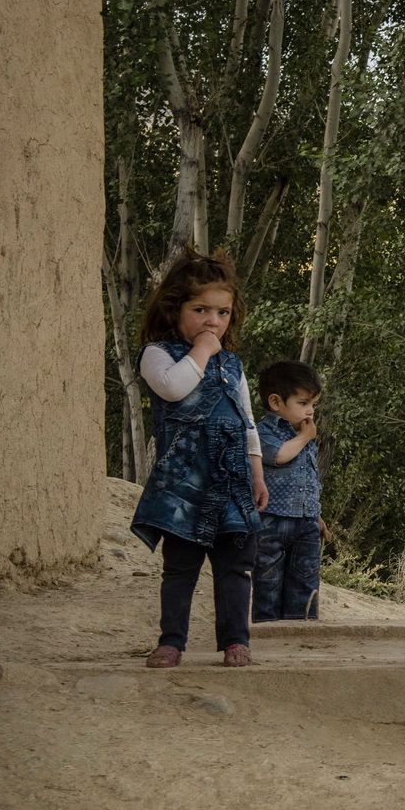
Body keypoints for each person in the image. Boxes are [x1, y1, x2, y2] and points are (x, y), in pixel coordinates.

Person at [132, 246, 266, 669]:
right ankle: (172, 641)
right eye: (201, 310)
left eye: (222, 313)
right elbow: (174, 388)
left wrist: (257, 474)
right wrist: (203, 351)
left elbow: (246, 421)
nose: (213, 322)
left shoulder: (233, 364)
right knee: (181, 567)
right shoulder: (157, 355)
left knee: (235, 567)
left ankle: (234, 642)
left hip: (232, 482)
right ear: (175, 310)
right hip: (184, 485)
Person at [253, 359, 325, 623]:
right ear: (275, 402)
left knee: (305, 581)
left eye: (313, 405)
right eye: (303, 403)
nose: (310, 412)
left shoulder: (302, 435)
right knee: (268, 581)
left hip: (306, 523)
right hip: (271, 521)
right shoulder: (263, 432)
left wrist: (316, 515)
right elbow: (278, 456)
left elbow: (309, 479)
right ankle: (268, 634)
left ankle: (300, 632)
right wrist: (305, 438)